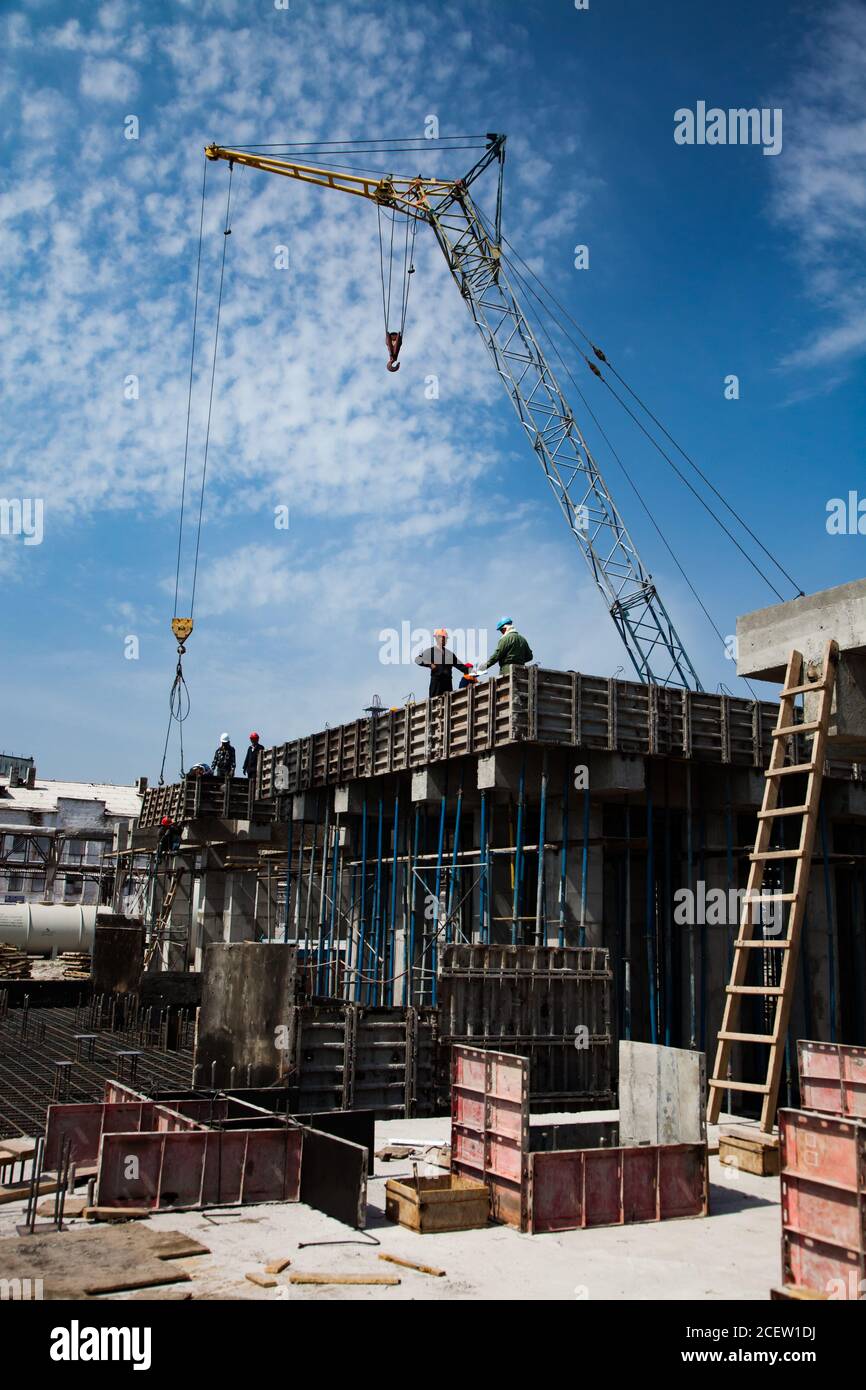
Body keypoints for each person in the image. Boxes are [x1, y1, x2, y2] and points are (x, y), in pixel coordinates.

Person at [415, 627, 471, 697]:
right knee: (434, 704)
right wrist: (429, 664)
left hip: (447, 684)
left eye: (445, 638)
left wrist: (475, 670)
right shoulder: (431, 651)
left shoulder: (450, 654)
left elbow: (462, 667)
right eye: (442, 637)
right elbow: (418, 659)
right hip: (436, 683)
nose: (444, 639)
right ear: (437, 638)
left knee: (448, 704)